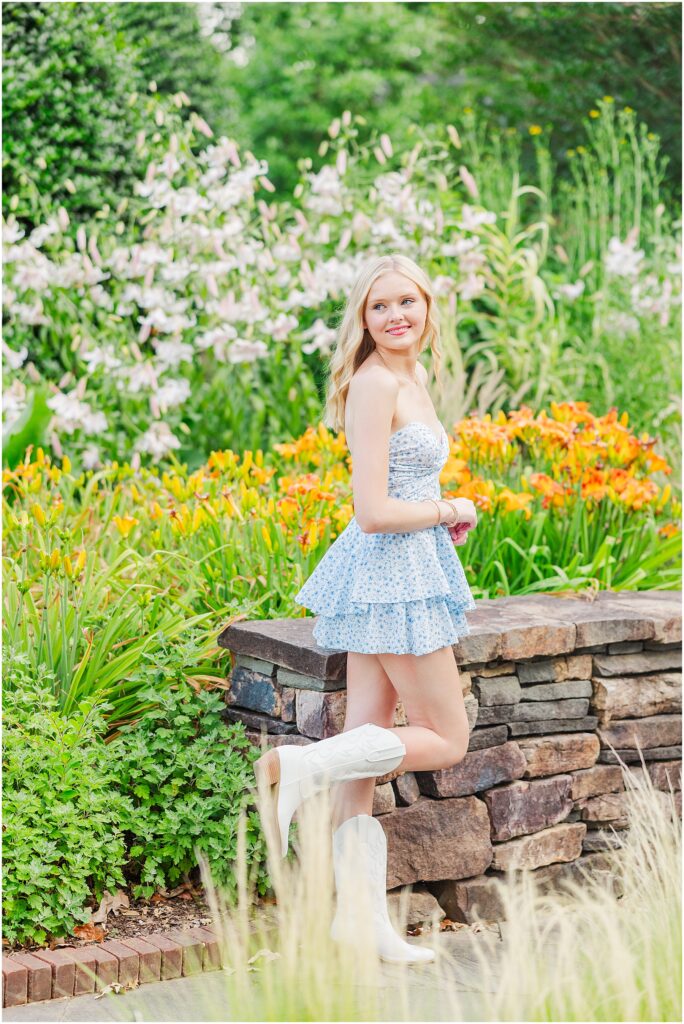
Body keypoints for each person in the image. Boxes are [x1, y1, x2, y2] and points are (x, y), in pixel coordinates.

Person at [255, 252, 478, 965]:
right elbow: (374, 511)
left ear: (427, 307)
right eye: (379, 306)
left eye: (407, 302)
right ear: (363, 318)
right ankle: (298, 765)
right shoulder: (375, 385)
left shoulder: (408, 375)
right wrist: (451, 505)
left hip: (397, 568)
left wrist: (436, 514)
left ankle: (359, 922)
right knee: (448, 738)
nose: (396, 316)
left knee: (366, 746)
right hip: (392, 574)